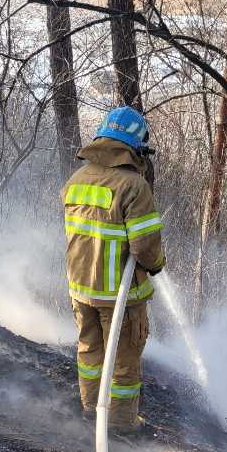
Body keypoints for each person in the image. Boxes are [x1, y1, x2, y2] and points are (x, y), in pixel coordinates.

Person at [63, 106, 165, 432]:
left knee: (89, 353)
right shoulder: (133, 186)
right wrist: (157, 265)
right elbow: (145, 247)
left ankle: (91, 410)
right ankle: (120, 426)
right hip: (120, 296)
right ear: (136, 146)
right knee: (123, 363)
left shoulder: (76, 180)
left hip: (81, 290)